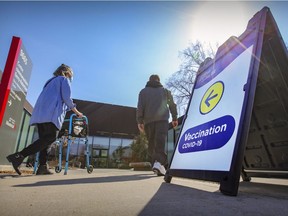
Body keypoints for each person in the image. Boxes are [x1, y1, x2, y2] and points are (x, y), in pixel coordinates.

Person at [6, 64, 83, 175]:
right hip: (51, 115)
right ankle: (19, 155)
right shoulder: (64, 80)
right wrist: (77, 112)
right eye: (70, 74)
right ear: (67, 72)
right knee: (51, 138)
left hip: (40, 114)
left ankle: (42, 167)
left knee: (44, 142)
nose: (70, 76)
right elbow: (67, 98)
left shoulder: (49, 82)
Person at [136, 74, 178, 176]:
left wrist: (140, 121)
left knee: (151, 144)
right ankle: (158, 163)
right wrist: (175, 118)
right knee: (160, 141)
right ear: (158, 81)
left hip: (148, 122)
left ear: (149, 81)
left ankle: (157, 164)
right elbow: (172, 104)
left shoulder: (143, 92)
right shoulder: (165, 91)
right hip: (162, 120)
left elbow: (140, 107)